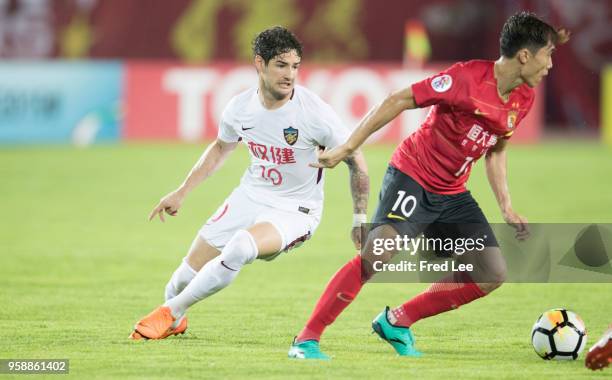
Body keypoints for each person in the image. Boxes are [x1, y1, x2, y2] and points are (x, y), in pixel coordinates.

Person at [288, 11, 569, 359]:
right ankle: (306, 339)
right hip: (413, 176)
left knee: (491, 272)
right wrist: (348, 146)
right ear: (525, 55)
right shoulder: (465, 78)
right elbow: (397, 99)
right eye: (548, 54)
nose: (550, 64)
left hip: (452, 192)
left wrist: (506, 206)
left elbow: (496, 151)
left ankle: (397, 321)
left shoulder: (522, 98)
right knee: (376, 255)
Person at [129, 26, 369, 340]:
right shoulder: (239, 109)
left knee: (241, 246)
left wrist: (360, 219)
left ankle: (169, 313)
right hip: (250, 196)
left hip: (295, 210)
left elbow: (357, 161)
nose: (290, 75)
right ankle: (176, 315)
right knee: (179, 282)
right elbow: (219, 149)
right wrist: (182, 191)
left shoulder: (315, 114)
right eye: (281, 65)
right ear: (259, 64)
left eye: (295, 66)